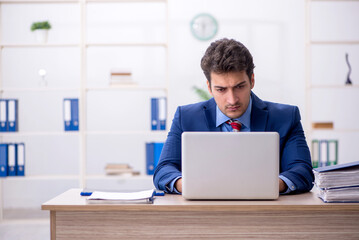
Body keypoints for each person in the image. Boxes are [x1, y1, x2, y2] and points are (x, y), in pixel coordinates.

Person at [153, 38, 314, 194]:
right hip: (204, 214)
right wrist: (191, 186)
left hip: (265, 214)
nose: (232, 100)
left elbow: (302, 171)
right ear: (209, 87)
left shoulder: (286, 117)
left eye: (239, 87)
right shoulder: (185, 117)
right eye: (221, 89)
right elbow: (164, 170)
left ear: (251, 80)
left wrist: (265, 186)